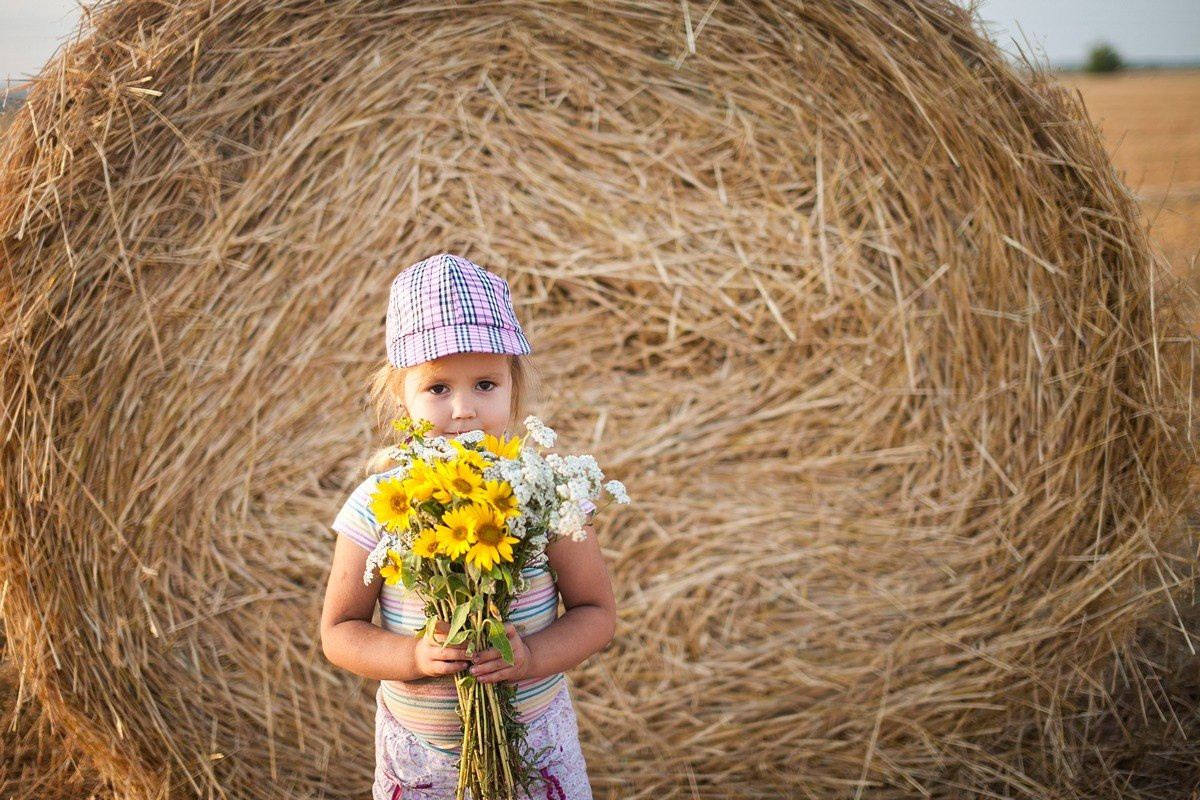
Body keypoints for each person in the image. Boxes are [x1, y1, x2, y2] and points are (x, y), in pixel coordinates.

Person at [320, 253, 616, 800]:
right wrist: (410, 657)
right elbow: (339, 633)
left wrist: (530, 657)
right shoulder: (379, 503)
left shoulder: (546, 497)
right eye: (437, 389)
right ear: (399, 396)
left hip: (535, 743)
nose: (463, 410)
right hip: (422, 759)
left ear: (513, 385)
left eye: (485, 384)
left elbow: (596, 614)